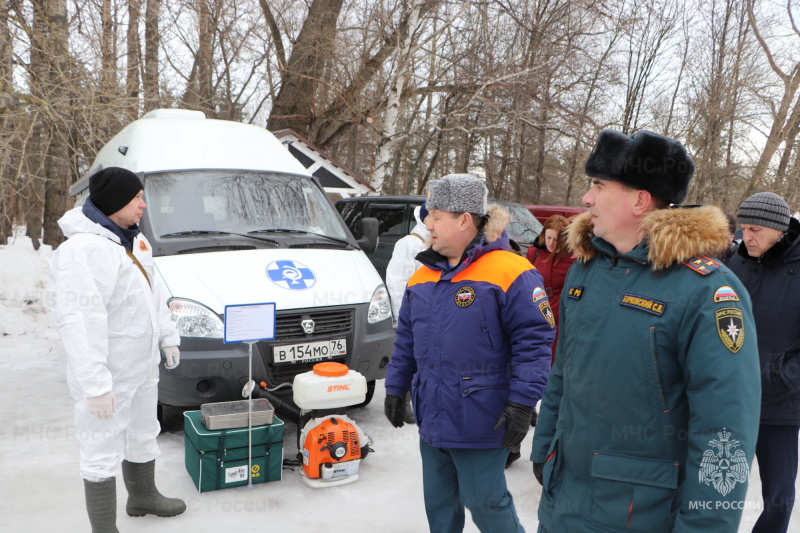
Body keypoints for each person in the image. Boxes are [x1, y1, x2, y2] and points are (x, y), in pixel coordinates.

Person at [531, 129, 760, 532]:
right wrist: (545, 449)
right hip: (563, 501)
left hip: (641, 515)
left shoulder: (707, 290)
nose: (586, 199)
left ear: (639, 200)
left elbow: (724, 431)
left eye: (598, 185)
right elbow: (563, 375)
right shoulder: (586, 271)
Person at [384, 173, 555, 533]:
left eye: (435, 215)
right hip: (433, 417)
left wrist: (523, 403)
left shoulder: (511, 272)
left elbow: (535, 342)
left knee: (487, 505)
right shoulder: (423, 276)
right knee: (440, 508)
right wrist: (396, 386)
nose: (426, 223)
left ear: (464, 219)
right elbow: (406, 341)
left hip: (481, 417)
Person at [49, 167, 186, 532]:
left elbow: (153, 292)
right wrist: (95, 385)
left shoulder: (133, 240)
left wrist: (167, 336)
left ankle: (142, 495)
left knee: (143, 431)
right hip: (107, 373)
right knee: (100, 451)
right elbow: (78, 321)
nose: (144, 204)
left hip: (140, 367)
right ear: (114, 203)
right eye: (136, 197)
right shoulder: (84, 251)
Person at [726, 192, 800, 533]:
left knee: (779, 496)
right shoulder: (735, 263)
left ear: (779, 230)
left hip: (780, 405)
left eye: (755, 229)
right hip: (728, 400)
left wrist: (779, 377)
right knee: (713, 485)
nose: (746, 236)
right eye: (744, 228)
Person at [385, 203, 430, 425]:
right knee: (408, 356)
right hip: (411, 312)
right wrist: (401, 315)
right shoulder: (408, 244)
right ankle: (402, 400)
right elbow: (397, 282)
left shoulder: (432, 243)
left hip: (427, 311)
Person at [525, 214, 576, 364]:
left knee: (554, 355)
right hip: (535, 307)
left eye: (556, 239)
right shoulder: (533, 253)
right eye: (548, 238)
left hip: (559, 313)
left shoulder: (573, 258)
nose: (551, 243)